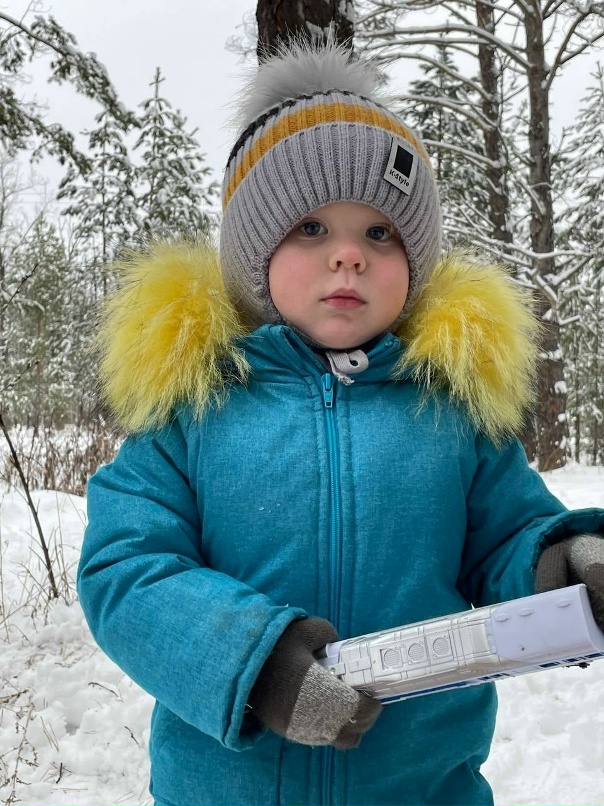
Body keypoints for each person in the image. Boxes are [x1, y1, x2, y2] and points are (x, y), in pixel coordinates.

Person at [77, 40, 604, 806]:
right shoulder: (192, 410)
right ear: (252, 256)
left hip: (421, 787)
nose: (349, 256)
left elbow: (505, 542)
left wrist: (564, 562)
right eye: (312, 229)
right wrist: (255, 666)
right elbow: (125, 570)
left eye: (380, 233)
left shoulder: (448, 411)